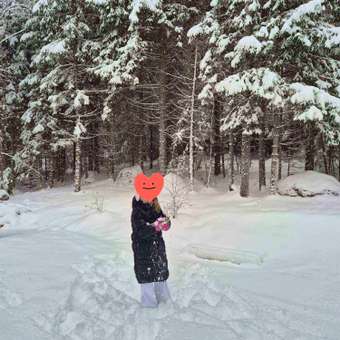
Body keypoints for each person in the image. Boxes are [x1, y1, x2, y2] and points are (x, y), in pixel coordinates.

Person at [131, 195, 171, 308]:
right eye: (147, 197)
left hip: (157, 248)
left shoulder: (156, 208)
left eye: (152, 197)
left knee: (160, 276)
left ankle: (165, 304)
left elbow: (164, 220)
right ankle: (148, 306)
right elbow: (140, 230)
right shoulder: (137, 210)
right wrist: (155, 227)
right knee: (146, 279)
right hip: (143, 249)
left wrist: (166, 223)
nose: (149, 199)